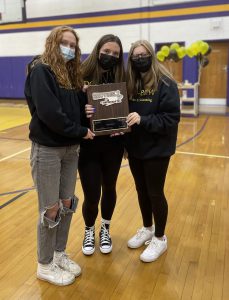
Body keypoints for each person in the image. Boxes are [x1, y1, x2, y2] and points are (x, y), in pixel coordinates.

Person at [24, 25, 94, 286]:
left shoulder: (70, 74)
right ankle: (44, 264)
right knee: (50, 208)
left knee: (66, 203)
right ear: (53, 42)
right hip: (48, 150)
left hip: (71, 149)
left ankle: (59, 254)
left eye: (73, 45)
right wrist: (81, 130)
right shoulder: (41, 70)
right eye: (64, 42)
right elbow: (50, 113)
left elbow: (73, 108)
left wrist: (85, 103)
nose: (68, 48)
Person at [125, 40, 180, 262]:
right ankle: (147, 228)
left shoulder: (165, 83)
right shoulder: (130, 83)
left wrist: (142, 119)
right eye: (135, 56)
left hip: (157, 148)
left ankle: (160, 237)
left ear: (151, 55)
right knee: (141, 191)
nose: (140, 59)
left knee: (155, 192)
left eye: (143, 54)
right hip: (135, 147)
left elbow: (171, 118)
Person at [78, 34, 125, 255]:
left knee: (109, 188)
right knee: (91, 193)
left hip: (113, 145)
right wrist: (82, 109)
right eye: (107, 51)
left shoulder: (121, 76)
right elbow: (70, 109)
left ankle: (105, 228)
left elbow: (128, 107)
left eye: (115, 53)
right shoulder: (81, 75)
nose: (110, 56)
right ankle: (89, 230)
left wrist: (123, 125)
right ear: (98, 50)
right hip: (88, 146)